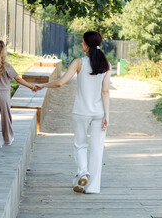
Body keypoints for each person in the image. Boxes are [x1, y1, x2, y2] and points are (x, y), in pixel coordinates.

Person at [33, 31, 111, 194]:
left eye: (83, 42)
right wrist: (107, 115)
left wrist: (43, 85)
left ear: (87, 45)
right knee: (97, 148)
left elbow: (61, 82)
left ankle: (83, 172)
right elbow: (105, 92)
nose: (81, 44)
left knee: (80, 144)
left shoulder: (79, 63)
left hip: (81, 112)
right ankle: (92, 187)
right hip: (99, 113)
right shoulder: (106, 65)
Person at [0, 40, 34, 149]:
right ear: (2, 52)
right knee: (6, 117)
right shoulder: (7, 66)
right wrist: (31, 86)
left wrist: (5, 87)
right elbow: (18, 79)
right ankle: (8, 139)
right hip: (4, 96)